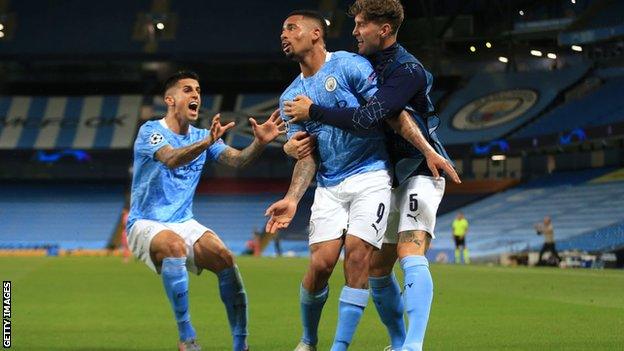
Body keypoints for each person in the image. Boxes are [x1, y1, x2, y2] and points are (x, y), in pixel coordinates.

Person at [282, 1, 460, 350]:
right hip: (387, 174)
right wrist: (289, 146)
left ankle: (413, 344)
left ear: (385, 29)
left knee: (410, 252)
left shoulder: (407, 70)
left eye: (362, 25)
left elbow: (369, 118)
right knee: (378, 272)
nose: (354, 31)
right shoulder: (362, 63)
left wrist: (313, 110)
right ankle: (396, 341)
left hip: (418, 169)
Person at [265, 10, 396, 351]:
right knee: (321, 265)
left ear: (316, 34)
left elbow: (381, 114)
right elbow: (305, 153)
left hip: (371, 173)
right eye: (282, 28)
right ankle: (308, 340)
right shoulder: (290, 97)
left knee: (356, 255)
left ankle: (339, 347)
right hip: (330, 185)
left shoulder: (350, 66)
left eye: (291, 27)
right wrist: (293, 197)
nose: (284, 34)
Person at [126, 70, 285, 351]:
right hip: (146, 222)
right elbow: (171, 159)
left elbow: (237, 160)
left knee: (225, 258)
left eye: (198, 90)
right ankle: (187, 339)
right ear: (170, 99)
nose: (195, 95)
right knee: (174, 246)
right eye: (187, 90)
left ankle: (241, 345)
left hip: (183, 220)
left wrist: (259, 143)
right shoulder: (150, 131)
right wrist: (207, 143)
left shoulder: (203, 135)